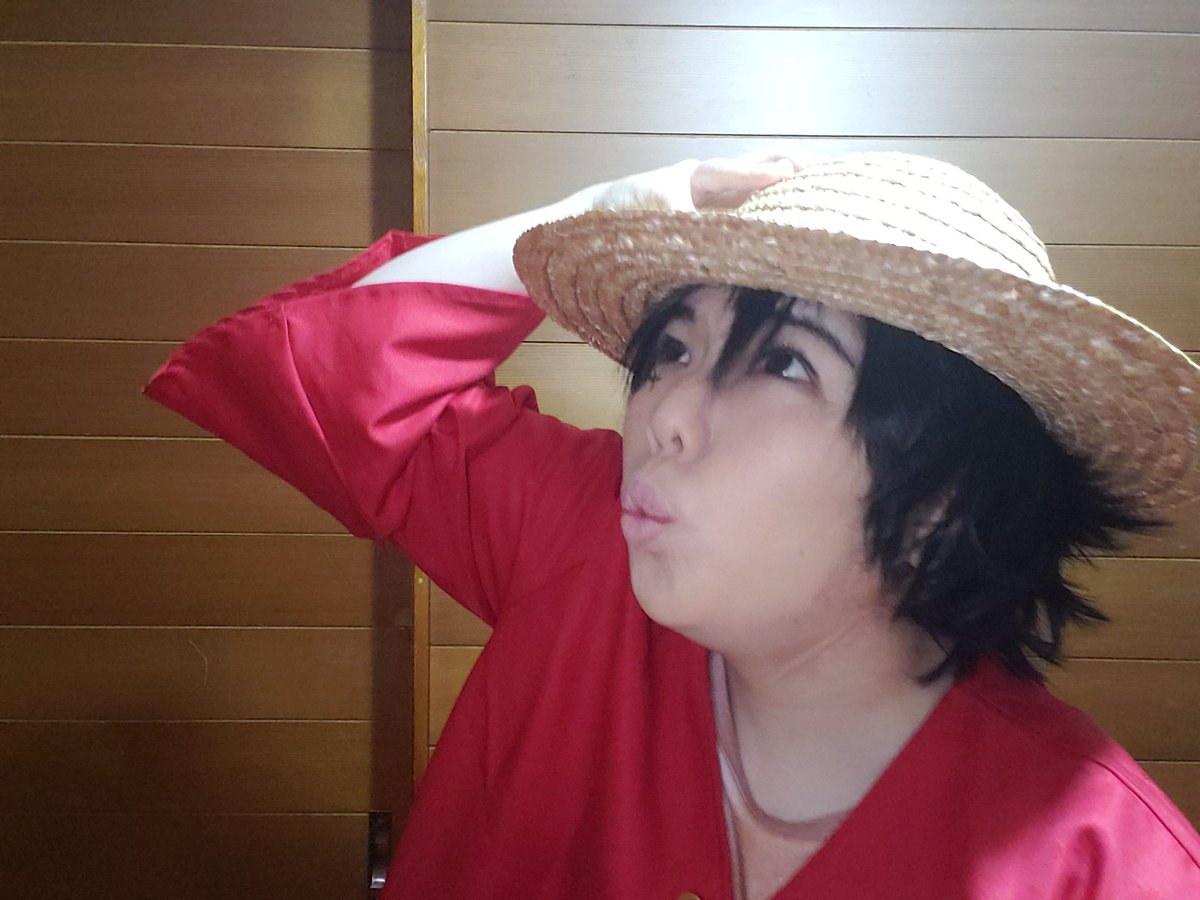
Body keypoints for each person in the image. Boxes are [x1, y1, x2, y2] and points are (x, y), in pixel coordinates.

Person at [146, 152, 1200, 898]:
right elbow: (319, 379)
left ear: (944, 495)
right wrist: (615, 205)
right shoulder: (590, 544)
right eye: (673, 351)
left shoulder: (1102, 864)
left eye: (783, 361)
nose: (664, 417)